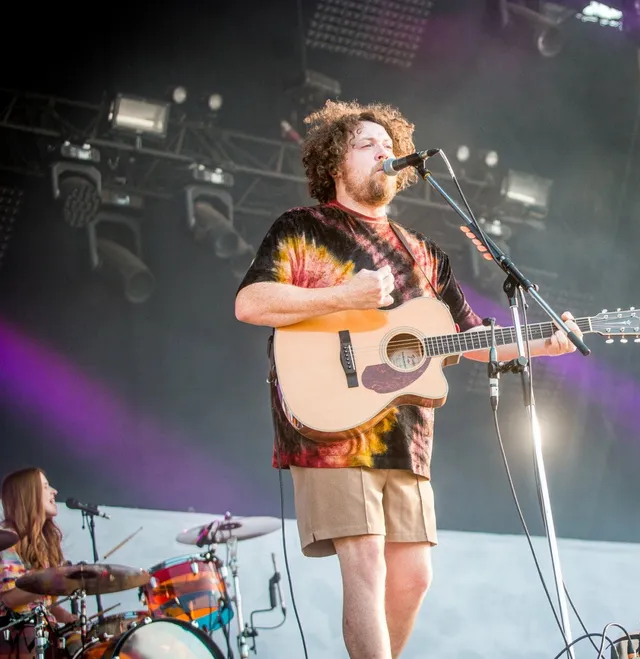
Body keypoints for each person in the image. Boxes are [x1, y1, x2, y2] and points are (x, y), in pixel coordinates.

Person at [234, 99, 582, 659]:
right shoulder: (302, 227)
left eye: (389, 147)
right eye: (366, 144)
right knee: (366, 560)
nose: (384, 153)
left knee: (414, 576)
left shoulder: (425, 253)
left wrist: (543, 341)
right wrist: (345, 294)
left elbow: (470, 338)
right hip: (332, 429)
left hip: (407, 435)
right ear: (334, 163)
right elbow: (251, 303)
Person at [0, 468, 80, 658]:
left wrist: (68, 619)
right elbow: (9, 599)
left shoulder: (42, 543)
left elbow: (43, 604)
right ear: (28, 496)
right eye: (46, 487)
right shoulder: (6, 537)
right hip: (14, 639)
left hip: (43, 634)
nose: (54, 491)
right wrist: (56, 579)